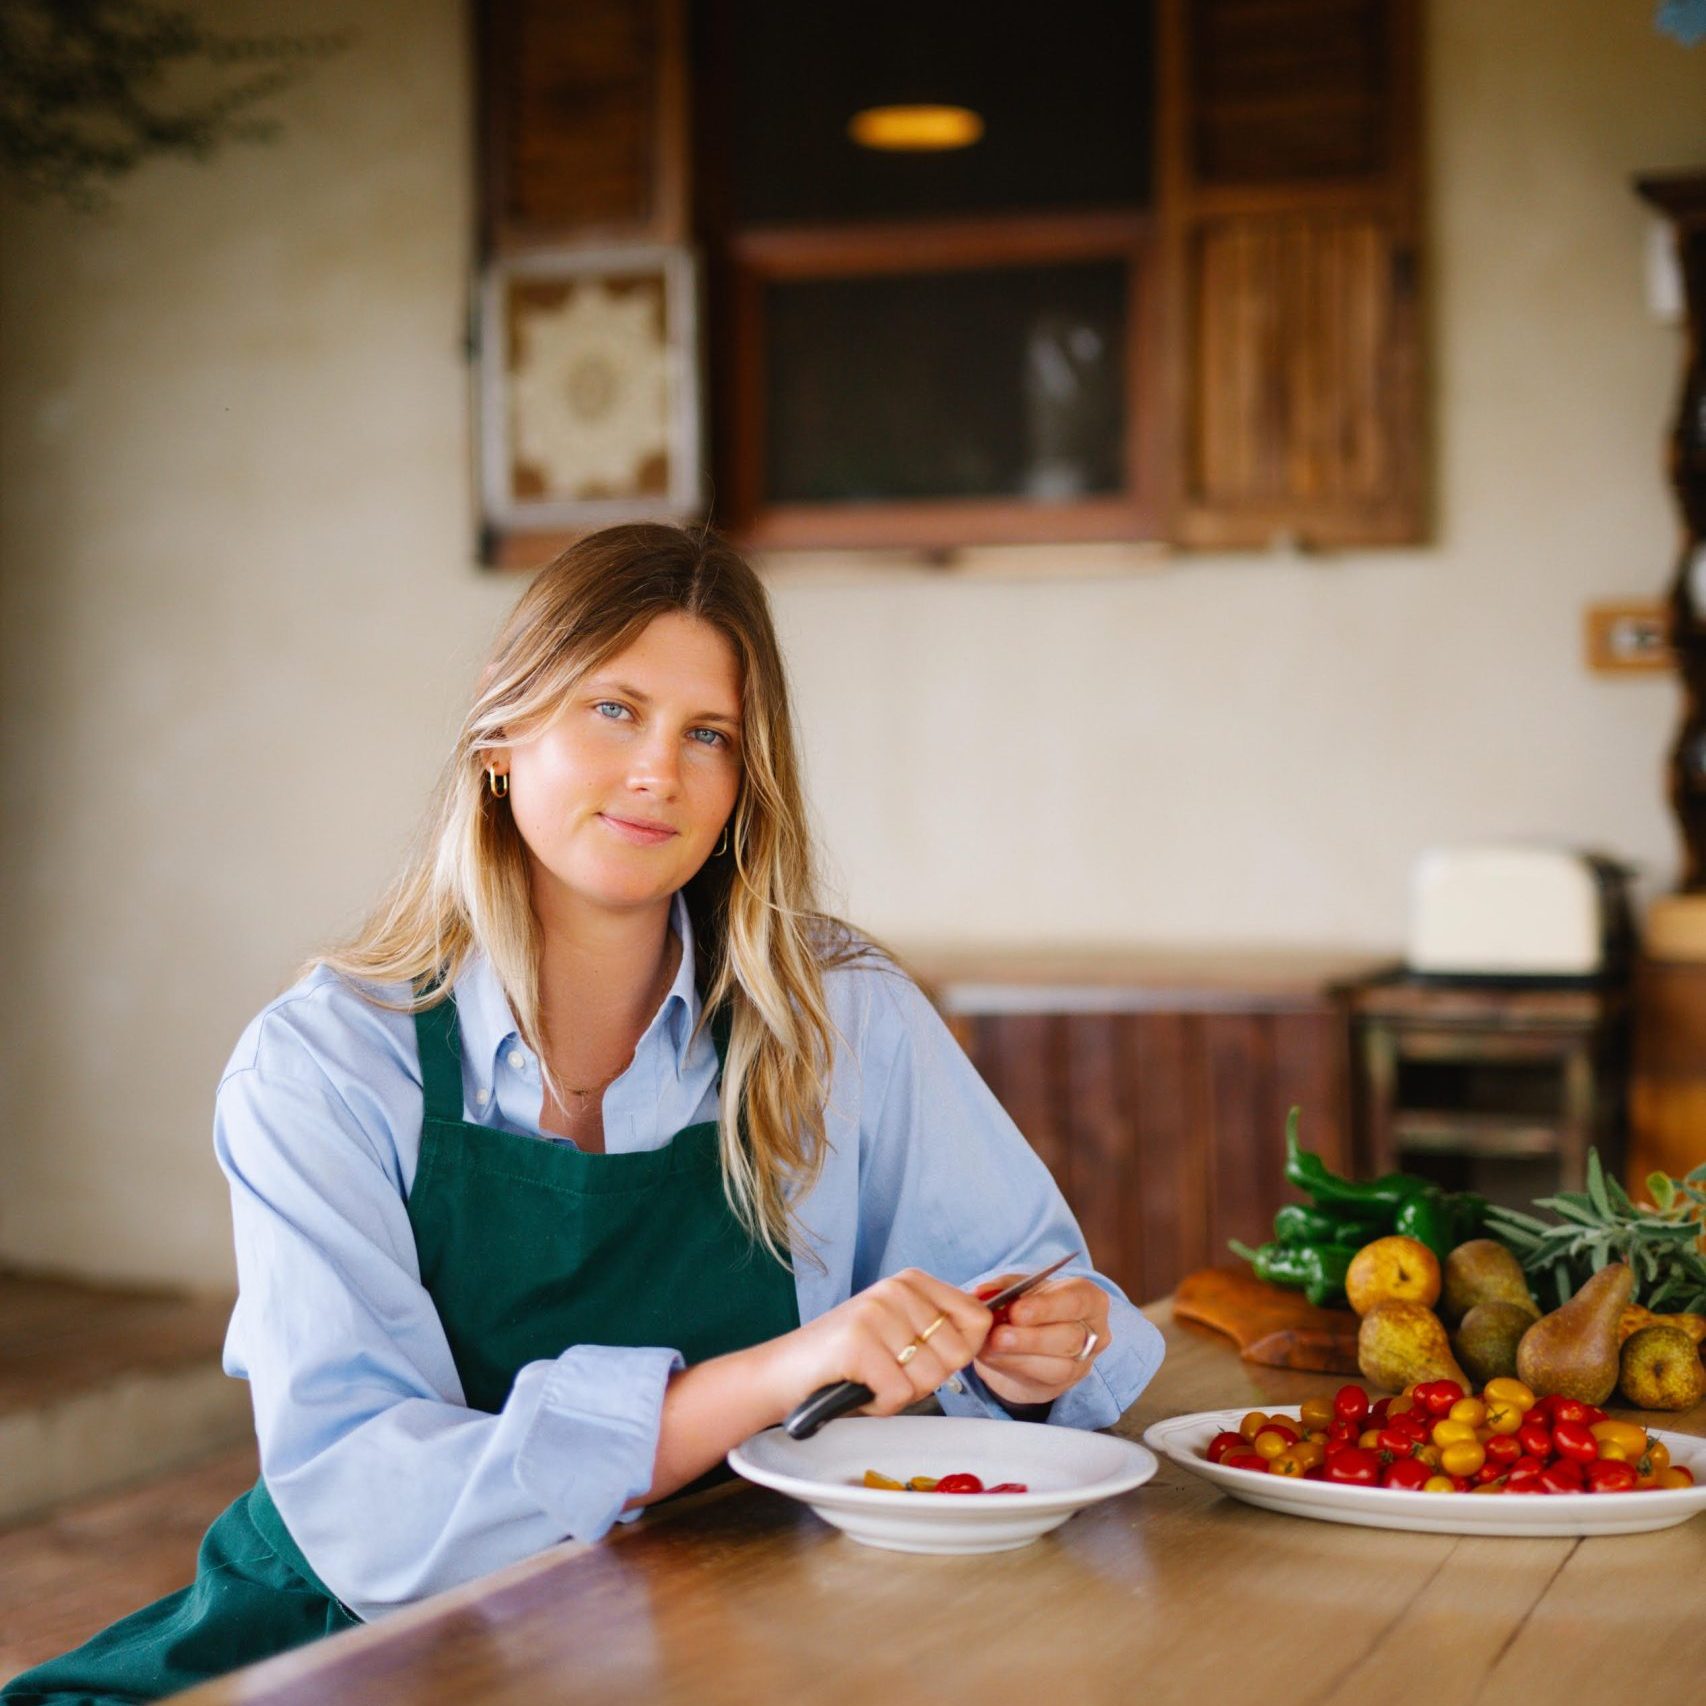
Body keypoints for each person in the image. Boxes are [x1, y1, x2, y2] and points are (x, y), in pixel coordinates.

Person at [5, 523, 1164, 1704]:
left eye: (706, 734)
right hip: (357, 1645)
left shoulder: (846, 1018)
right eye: (613, 709)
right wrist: (770, 1376)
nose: (659, 769)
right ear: (500, 734)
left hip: (732, 1624)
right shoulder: (320, 1066)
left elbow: (1047, 1306)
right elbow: (370, 1504)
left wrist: (1030, 1353)